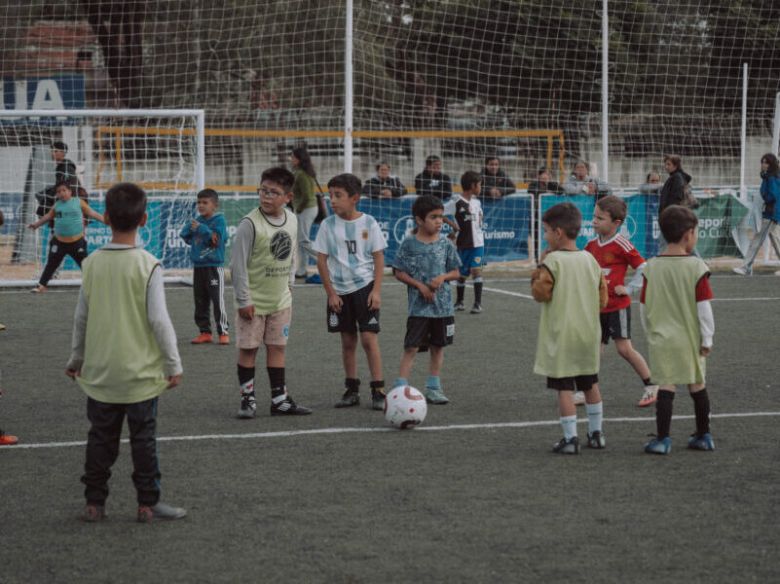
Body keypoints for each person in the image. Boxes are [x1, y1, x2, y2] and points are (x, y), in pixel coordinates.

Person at [65, 182, 186, 523]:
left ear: (104, 218)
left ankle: (94, 502)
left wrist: (76, 359)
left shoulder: (91, 263)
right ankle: (148, 504)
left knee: (100, 439)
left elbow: (81, 319)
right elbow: (159, 321)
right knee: (143, 440)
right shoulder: (148, 264)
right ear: (145, 219)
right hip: (141, 376)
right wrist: (173, 363)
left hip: (101, 374)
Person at [231, 167, 312, 418]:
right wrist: (244, 300)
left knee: (277, 347)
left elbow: (291, 253)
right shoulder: (249, 224)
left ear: (288, 197)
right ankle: (248, 399)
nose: (266, 196)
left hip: (281, 300)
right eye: (263, 190)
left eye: (273, 192)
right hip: (253, 302)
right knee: (249, 350)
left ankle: (279, 400)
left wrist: (290, 284)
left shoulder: (292, 218)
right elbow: (237, 265)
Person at [531, 202, 608, 454]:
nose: (544, 236)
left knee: (564, 387)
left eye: (545, 231)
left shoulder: (552, 261)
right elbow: (603, 299)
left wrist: (538, 269)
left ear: (558, 233)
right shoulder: (590, 259)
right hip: (588, 334)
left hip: (562, 336)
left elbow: (540, 293)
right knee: (590, 384)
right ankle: (596, 434)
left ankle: (570, 439)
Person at [641, 205, 715, 455]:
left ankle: (663, 440)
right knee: (697, 385)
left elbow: (643, 305)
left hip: (662, 339)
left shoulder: (651, 267)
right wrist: (707, 338)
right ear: (688, 234)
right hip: (690, 339)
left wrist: (650, 330)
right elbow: (704, 308)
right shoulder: (696, 267)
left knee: (666, 387)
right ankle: (704, 435)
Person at [314, 173, 387, 411]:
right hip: (339, 291)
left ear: (354, 198)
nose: (332, 200)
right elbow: (322, 261)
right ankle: (351, 389)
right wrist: (331, 293)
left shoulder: (369, 223)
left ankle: (378, 389)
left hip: (364, 288)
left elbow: (378, 258)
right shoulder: (327, 225)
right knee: (347, 341)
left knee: (368, 339)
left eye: (338, 196)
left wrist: (376, 291)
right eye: (330, 195)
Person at [585, 196, 658, 408]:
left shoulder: (622, 244)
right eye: (593, 217)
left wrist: (628, 289)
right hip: (597, 307)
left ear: (616, 223)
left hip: (617, 308)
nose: (594, 221)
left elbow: (644, 268)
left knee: (624, 349)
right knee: (593, 349)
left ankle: (651, 385)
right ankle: (587, 389)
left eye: (600, 218)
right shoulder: (590, 245)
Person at [392, 195, 461, 404]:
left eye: (441, 217)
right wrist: (419, 285)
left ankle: (433, 387)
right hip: (419, 309)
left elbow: (456, 272)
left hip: (443, 308)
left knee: (438, 346)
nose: (439, 221)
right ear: (419, 220)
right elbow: (398, 271)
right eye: (433, 217)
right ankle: (400, 387)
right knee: (411, 347)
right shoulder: (409, 244)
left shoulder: (446, 244)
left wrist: (443, 277)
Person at [27, 179, 105, 293]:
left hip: (77, 242)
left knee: (86, 265)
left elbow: (93, 214)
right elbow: (48, 216)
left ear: (70, 191)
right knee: (51, 265)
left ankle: (96, 285)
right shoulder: (57, 205)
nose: (61, 193)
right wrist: (36, 225)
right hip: (59, 242)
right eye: (58, 192)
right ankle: (41, 286)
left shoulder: (78, 202)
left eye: (64, 190)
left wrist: (107, 221)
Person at [179, 188, 229, 345]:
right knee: (200, 301)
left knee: (217, 300)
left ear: (215, 205)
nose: (200, 205)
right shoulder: (197, 221)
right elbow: (185, 236)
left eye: (205, 202)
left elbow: (216, 240)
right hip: (198, 267)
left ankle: (223, 331)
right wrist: (188, 230)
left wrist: (201, 229)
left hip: (214, 267)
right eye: (198, 202)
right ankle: (205, 332)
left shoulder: (219, 221)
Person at [444, 171, 485, 314]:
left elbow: (478, 221)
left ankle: (477, 303)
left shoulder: (477, 202)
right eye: (479, 185)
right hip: (463, 244)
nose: (481, 187)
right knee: (461, 274)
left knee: (476, 270)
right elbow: (439, 213)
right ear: (473, 186)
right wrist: (454, 228)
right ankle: (460, 302)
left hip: (478, 244)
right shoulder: (456, 202)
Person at [733, 153, 780, 276]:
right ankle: (746, 267)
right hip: (772, 213)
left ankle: (746, 267)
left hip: (771, 213)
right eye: (762, 162)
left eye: (766, 162)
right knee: (776, 239)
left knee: (757, 240)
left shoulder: (771, 178)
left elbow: (773, 195)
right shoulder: (769, 177)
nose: (763, 164)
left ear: (771, 164)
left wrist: (764, 202)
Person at [290, 146, 320, 279]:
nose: (291, 159)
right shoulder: (302, 172)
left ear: (298, 159)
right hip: (306, 208)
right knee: (301, 241)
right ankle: (301, 270)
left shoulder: (302, 174)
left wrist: (299, 208)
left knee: (303, 240)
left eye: (293, 157)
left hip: (306, 209)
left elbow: (307, 195)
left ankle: (326, 259)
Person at [35, 141, 82, 218]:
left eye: (55, 151)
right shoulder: (62, 167)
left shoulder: (66, 167)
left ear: (63, 153)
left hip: (69, 200)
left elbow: (69, 186)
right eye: (52, 151)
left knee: (43, 196)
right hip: (66, 198)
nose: (52, 154)